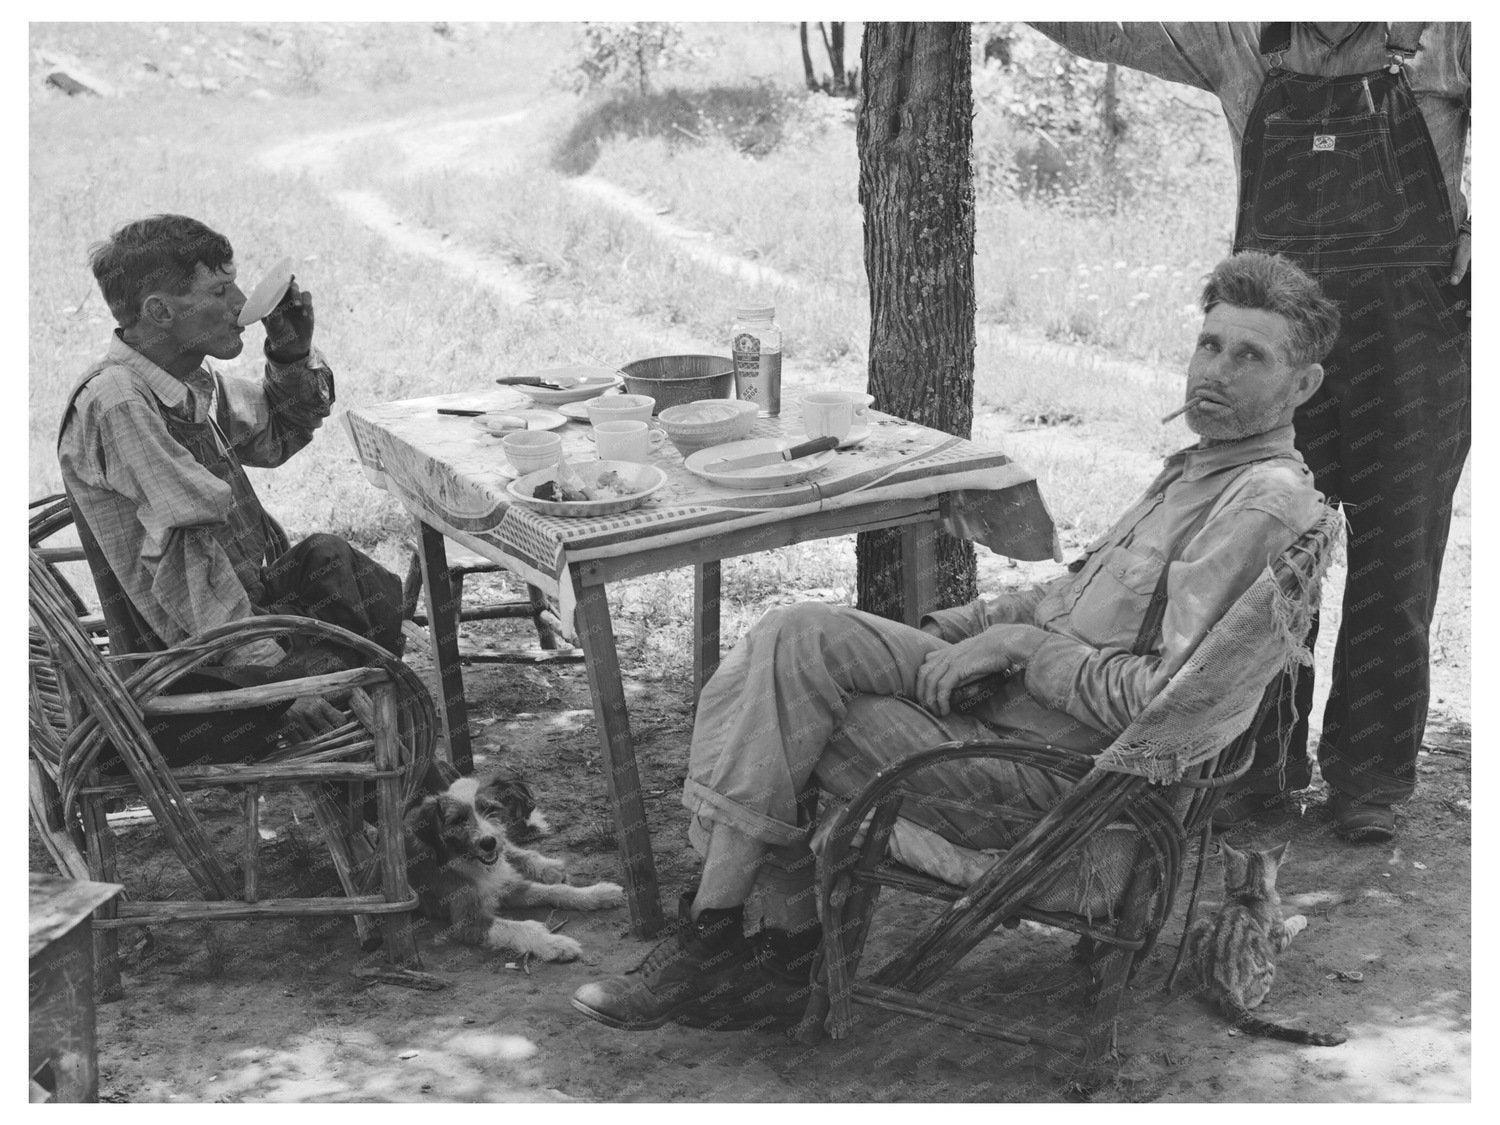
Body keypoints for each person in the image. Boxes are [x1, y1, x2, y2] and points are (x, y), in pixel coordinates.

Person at [570, 251, 1337, 1033]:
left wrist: (1027, 653)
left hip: (1050, 782)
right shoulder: (1201, 469)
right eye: (1211, 345)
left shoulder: (1259, 504)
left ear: (1302, 385)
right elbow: (1061, 595)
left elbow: (1170, 707)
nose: (1217, 371)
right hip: (1002, 708)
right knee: (793, 634)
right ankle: (765, 946)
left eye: (1251, 357)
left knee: (783, 697)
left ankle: (724, 937)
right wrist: (952, 636)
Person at [1027, 22, 1471, 845]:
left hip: (1409, 341)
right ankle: (1257, 770)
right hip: (1273, 346)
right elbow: (1098, 28)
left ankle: (1367, 782)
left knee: (1397, 563)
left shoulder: (1444, 35)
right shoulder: (1236, 41)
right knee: (1261, 561)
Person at [58, 214, 405, 758]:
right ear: (159, 312)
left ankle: (387, 755)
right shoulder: (120, 402)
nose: (242, 302)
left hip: (243, 616)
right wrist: (274, 681)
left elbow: (278, 433)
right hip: (190, 669)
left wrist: (291, 353)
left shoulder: (184, 380)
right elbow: (186, 563)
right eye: (220, 290)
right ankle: (397, 780)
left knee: (331, 561)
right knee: (345, 671)